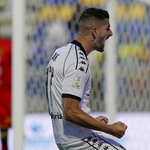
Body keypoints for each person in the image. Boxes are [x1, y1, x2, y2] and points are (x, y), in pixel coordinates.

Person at [45, 8, 127, 150]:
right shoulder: (79, 63)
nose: (111, 33)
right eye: (107, 28)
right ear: (95, 31)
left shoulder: (59, 53)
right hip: (78, 142)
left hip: (65, 139)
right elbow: (70, 111)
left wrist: (91, 122)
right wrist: (109, 129)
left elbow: (59, 105)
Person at [0, 38, 12, 150]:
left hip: (5, 93)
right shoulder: (8, 45)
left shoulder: (8, 46)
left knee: (5, 125)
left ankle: (5, 146)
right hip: (5, 93)